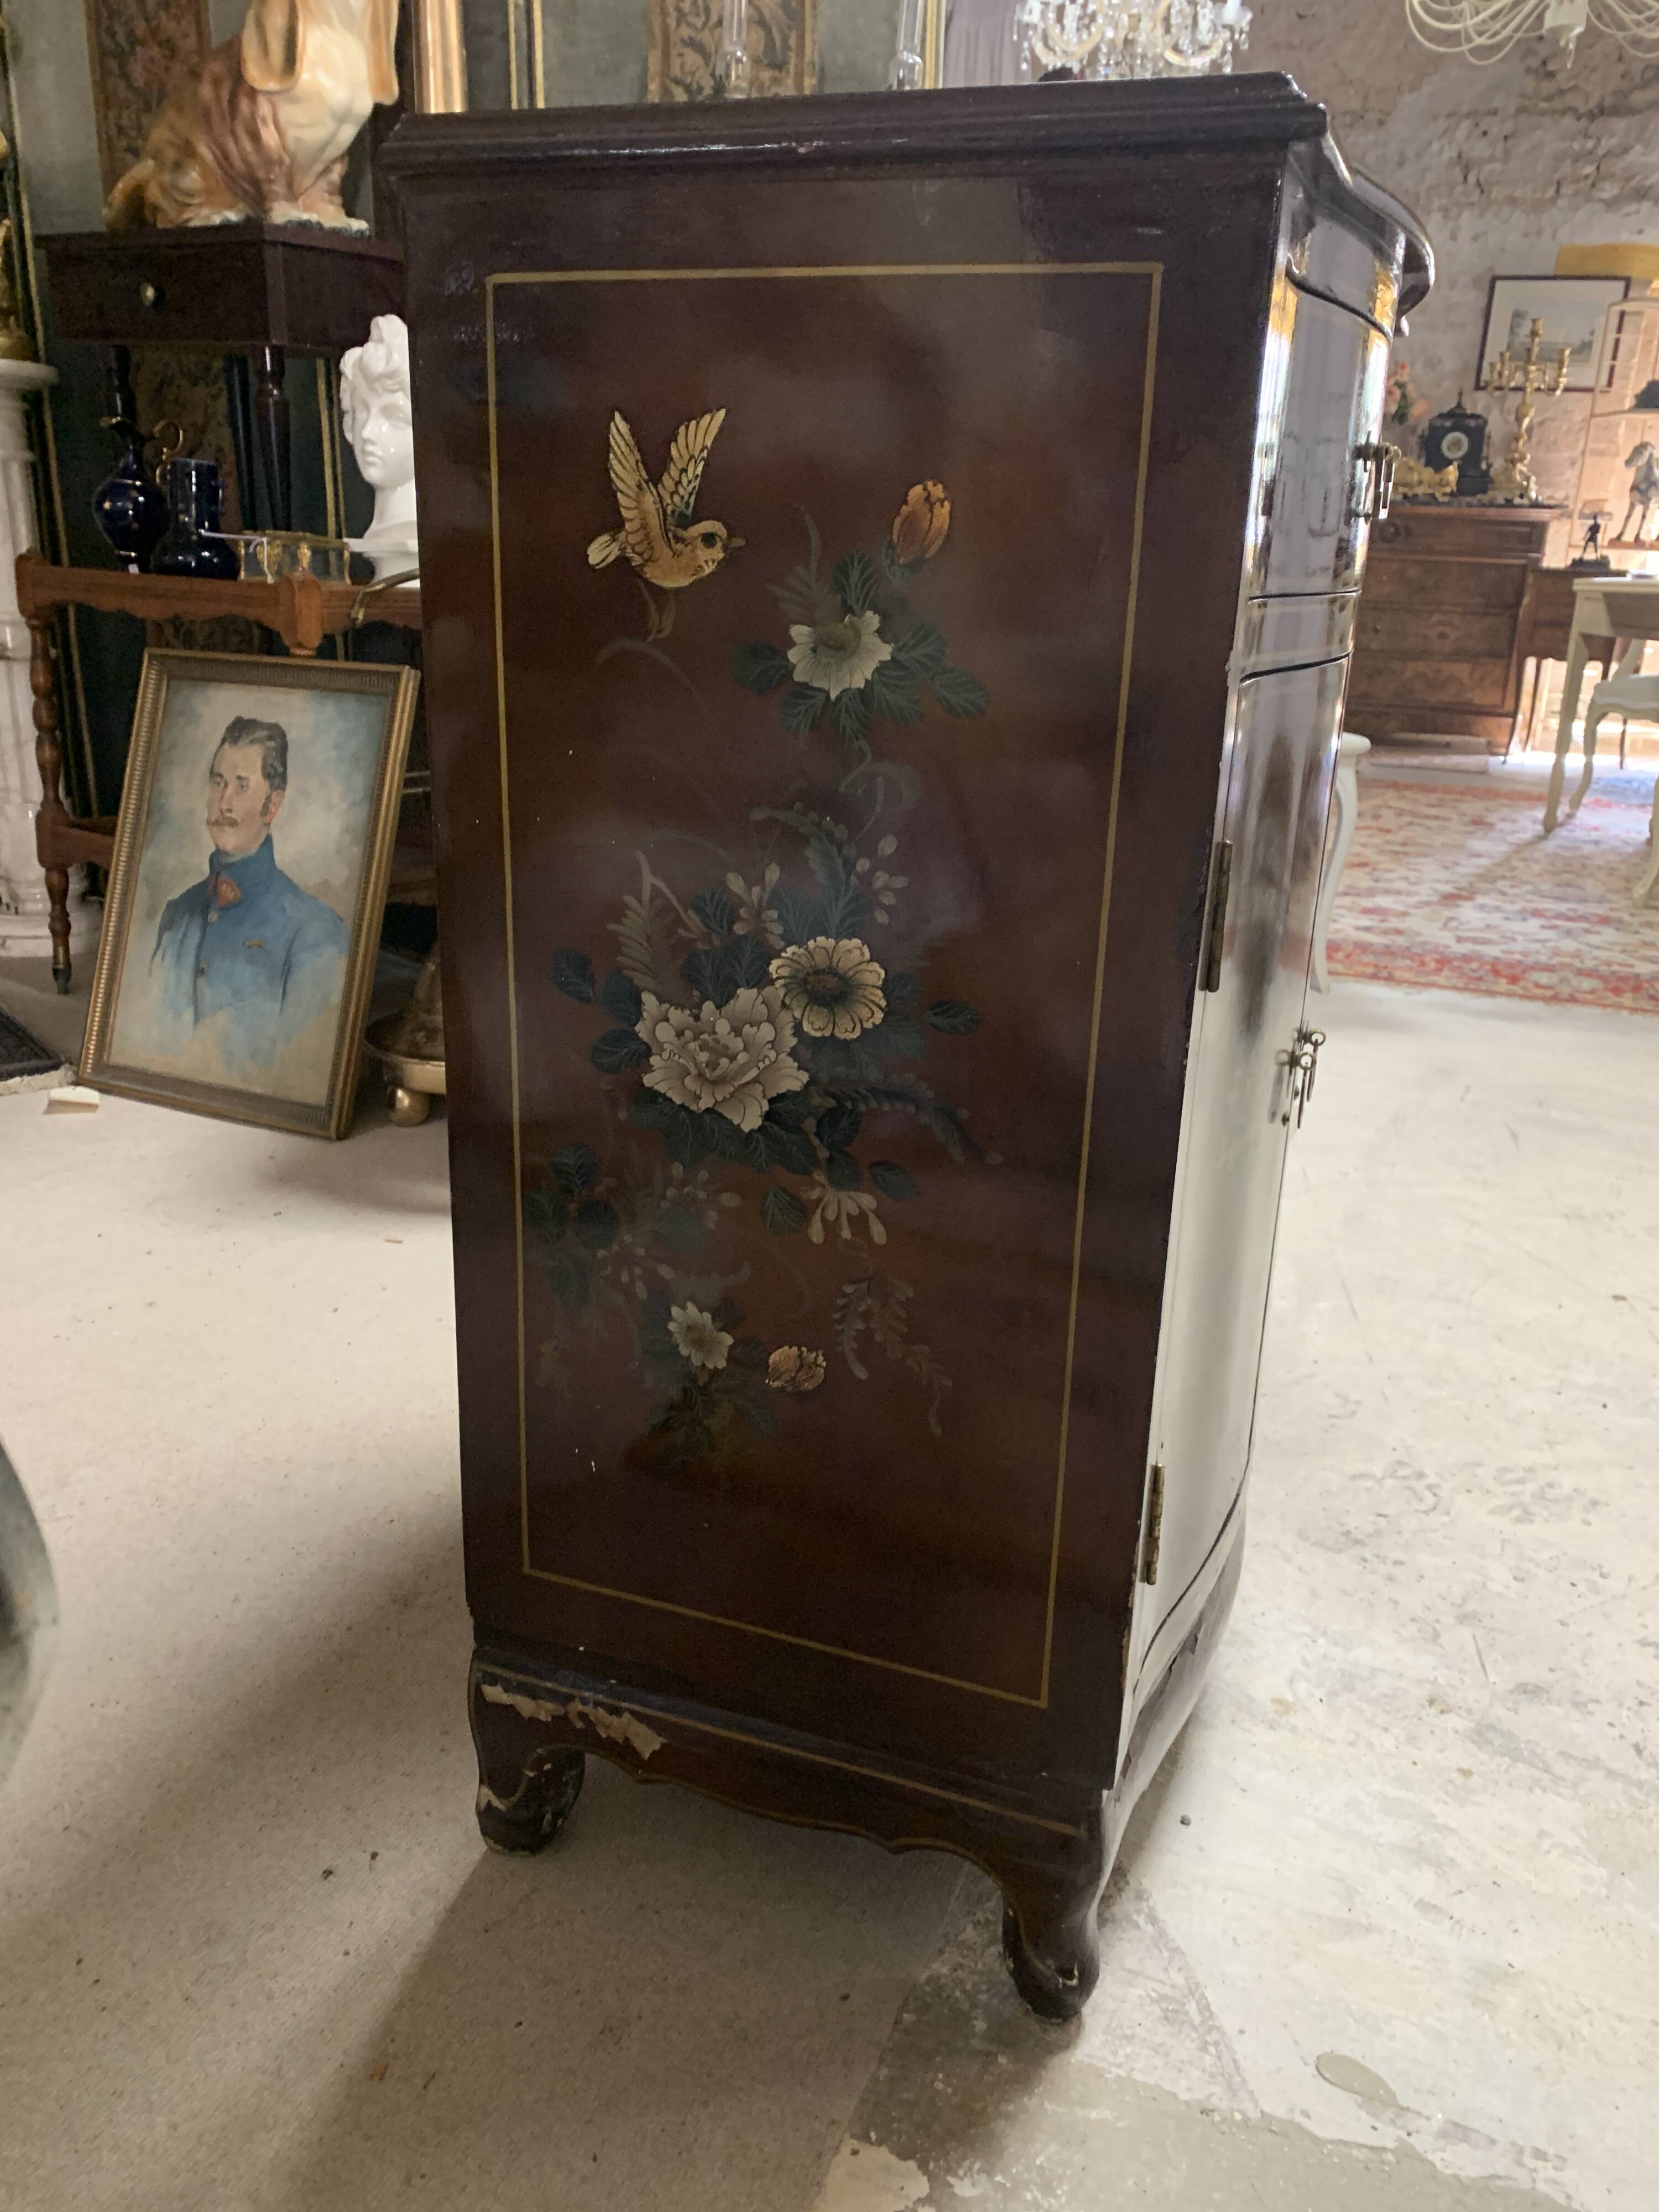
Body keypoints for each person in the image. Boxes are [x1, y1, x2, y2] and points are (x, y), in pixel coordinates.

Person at [151, 716, 349, 1081]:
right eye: (218, 782)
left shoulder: (317, 934)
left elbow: (300, 1076)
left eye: (241, 787)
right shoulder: (176, 915)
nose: (224, 803)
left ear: (272, 806)